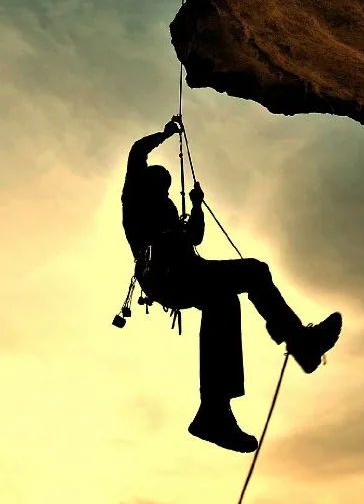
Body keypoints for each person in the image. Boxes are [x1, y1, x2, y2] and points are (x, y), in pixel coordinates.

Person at [121, 117, 342, 453]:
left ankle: (215, 411)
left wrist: (195, 207)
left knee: (224, 301)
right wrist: (165, 135)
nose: (165, 187)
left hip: (185, 273)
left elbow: (194, 236)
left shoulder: (166, 211)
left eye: (167, 185)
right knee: (252, 273)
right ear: (147, 181)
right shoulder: (134, 198)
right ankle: (300, 344)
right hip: (166, 276)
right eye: (161, 181)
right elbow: (138, 152)